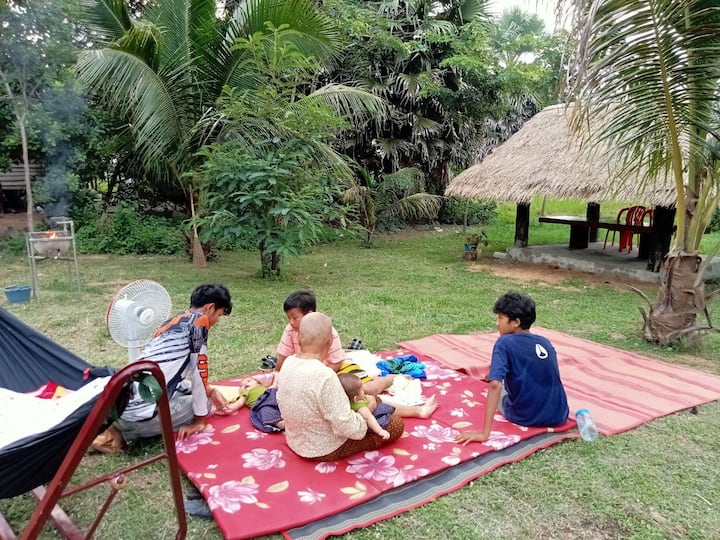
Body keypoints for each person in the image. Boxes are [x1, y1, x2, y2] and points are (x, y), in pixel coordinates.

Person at [91, 283, 233, 453]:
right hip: (136, 417)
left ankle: (115, 428)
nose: (217, 321)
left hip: (119, 405)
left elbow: (167, 374)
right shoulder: (199, 324)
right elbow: (199, 373)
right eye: (219, 315)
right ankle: (123, 434)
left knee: (191, 393)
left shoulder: (173, 322)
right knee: (205, 405)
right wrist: (199, 420)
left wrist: (210, 390)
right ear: (210, 308)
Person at [276, 312, 404, 461]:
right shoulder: (325, 375)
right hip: (323, 449)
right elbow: (348, 428)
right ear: (330, 341)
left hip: (295, 440)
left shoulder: (289, 362)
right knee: (395, 424)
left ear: (298, 337)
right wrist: (366, 412)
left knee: (369, 400)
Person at [456, 292, 569, 446]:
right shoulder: (545, 342)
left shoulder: (504, 342)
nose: (497, 323)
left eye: (500, 318)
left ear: (516, 322)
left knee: (493, 393)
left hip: (526, 417)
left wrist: (484, 433)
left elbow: (495, 385)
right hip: (559, 415)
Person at [273, 290, 394, 395]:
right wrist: (277, 375)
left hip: (335, 370)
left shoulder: (328, 332)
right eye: (288, 318)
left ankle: (389, 380)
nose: (291, 322)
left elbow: (337, 362)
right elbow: (283, 356)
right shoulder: (290, 330)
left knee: (363, 389)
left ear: (310, 315)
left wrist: (320, 378)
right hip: (308, 374)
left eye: (294, 318)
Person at [338, 373, 392, 439]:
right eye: (361, 389)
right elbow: (369, 418)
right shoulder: (360, 407)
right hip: (371, 422)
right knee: (386, 410)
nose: (364, 390)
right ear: (356, 398)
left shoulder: (341, 403)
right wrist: (380, 431)